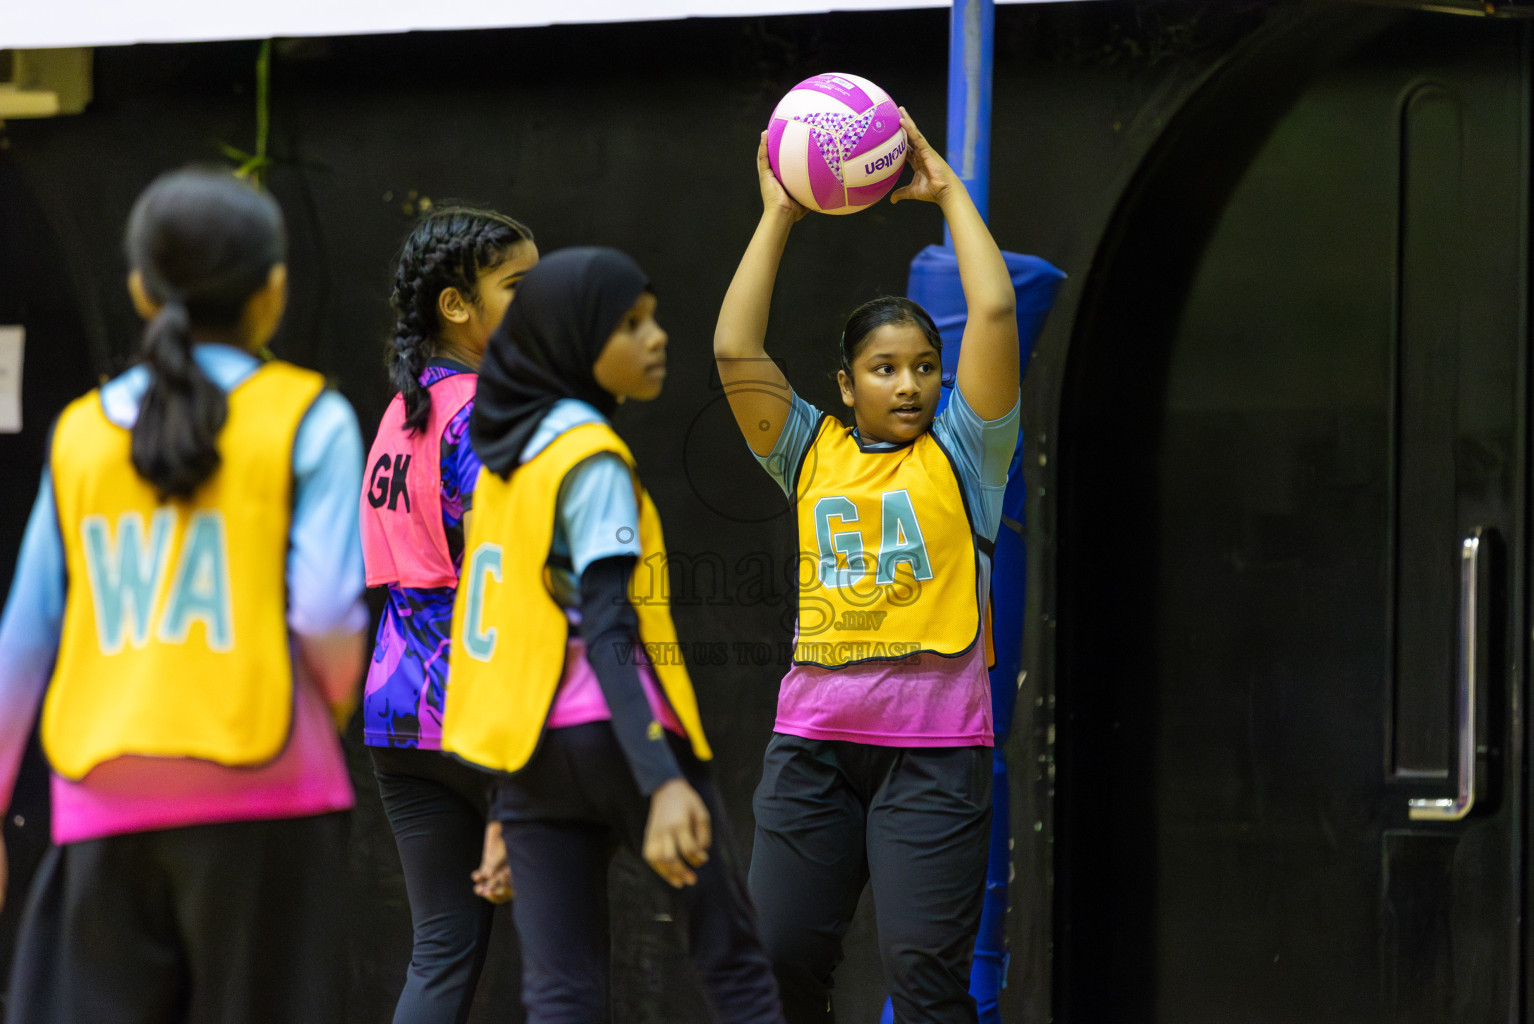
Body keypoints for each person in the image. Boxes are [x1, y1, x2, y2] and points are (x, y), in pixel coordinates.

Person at [0, 166, 367, 1024]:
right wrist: (327, 713)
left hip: (100, 800)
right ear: (273, 293)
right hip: (271, 793)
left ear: (138, 287)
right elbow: (322, 615)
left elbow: (23, 639)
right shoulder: (309, 417)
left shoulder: (82, 434)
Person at [713, 110, 1019, 1024]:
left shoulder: (969, 454)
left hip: (935, 758)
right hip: (813, 752)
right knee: (775, 960)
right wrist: (781, 214)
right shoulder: (808, 451)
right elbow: (736, 349)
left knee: (926, 980)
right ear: (846, 386)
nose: (911, 384)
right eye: (885, 369)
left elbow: (995, 310)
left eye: (926, 366)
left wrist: (948, 190)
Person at [441, 246, 784, 1024]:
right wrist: (662, 780)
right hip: (619, 737)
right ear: (572, 340)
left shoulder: (504, 462)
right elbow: (607, 629)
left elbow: (501, 634)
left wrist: (504, 804)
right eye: (632, 323)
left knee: (561, 995)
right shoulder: (589, 457)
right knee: (733, 968)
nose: (658, 336)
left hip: (530, 755)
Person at [360, 206, 538, 1024]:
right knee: (562, 956)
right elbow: (505, 578)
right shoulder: (487, 412)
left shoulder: (401, 414)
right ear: (456, 306)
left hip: (397, 715)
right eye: (519, 287)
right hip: (480, 712)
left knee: (439, 951)